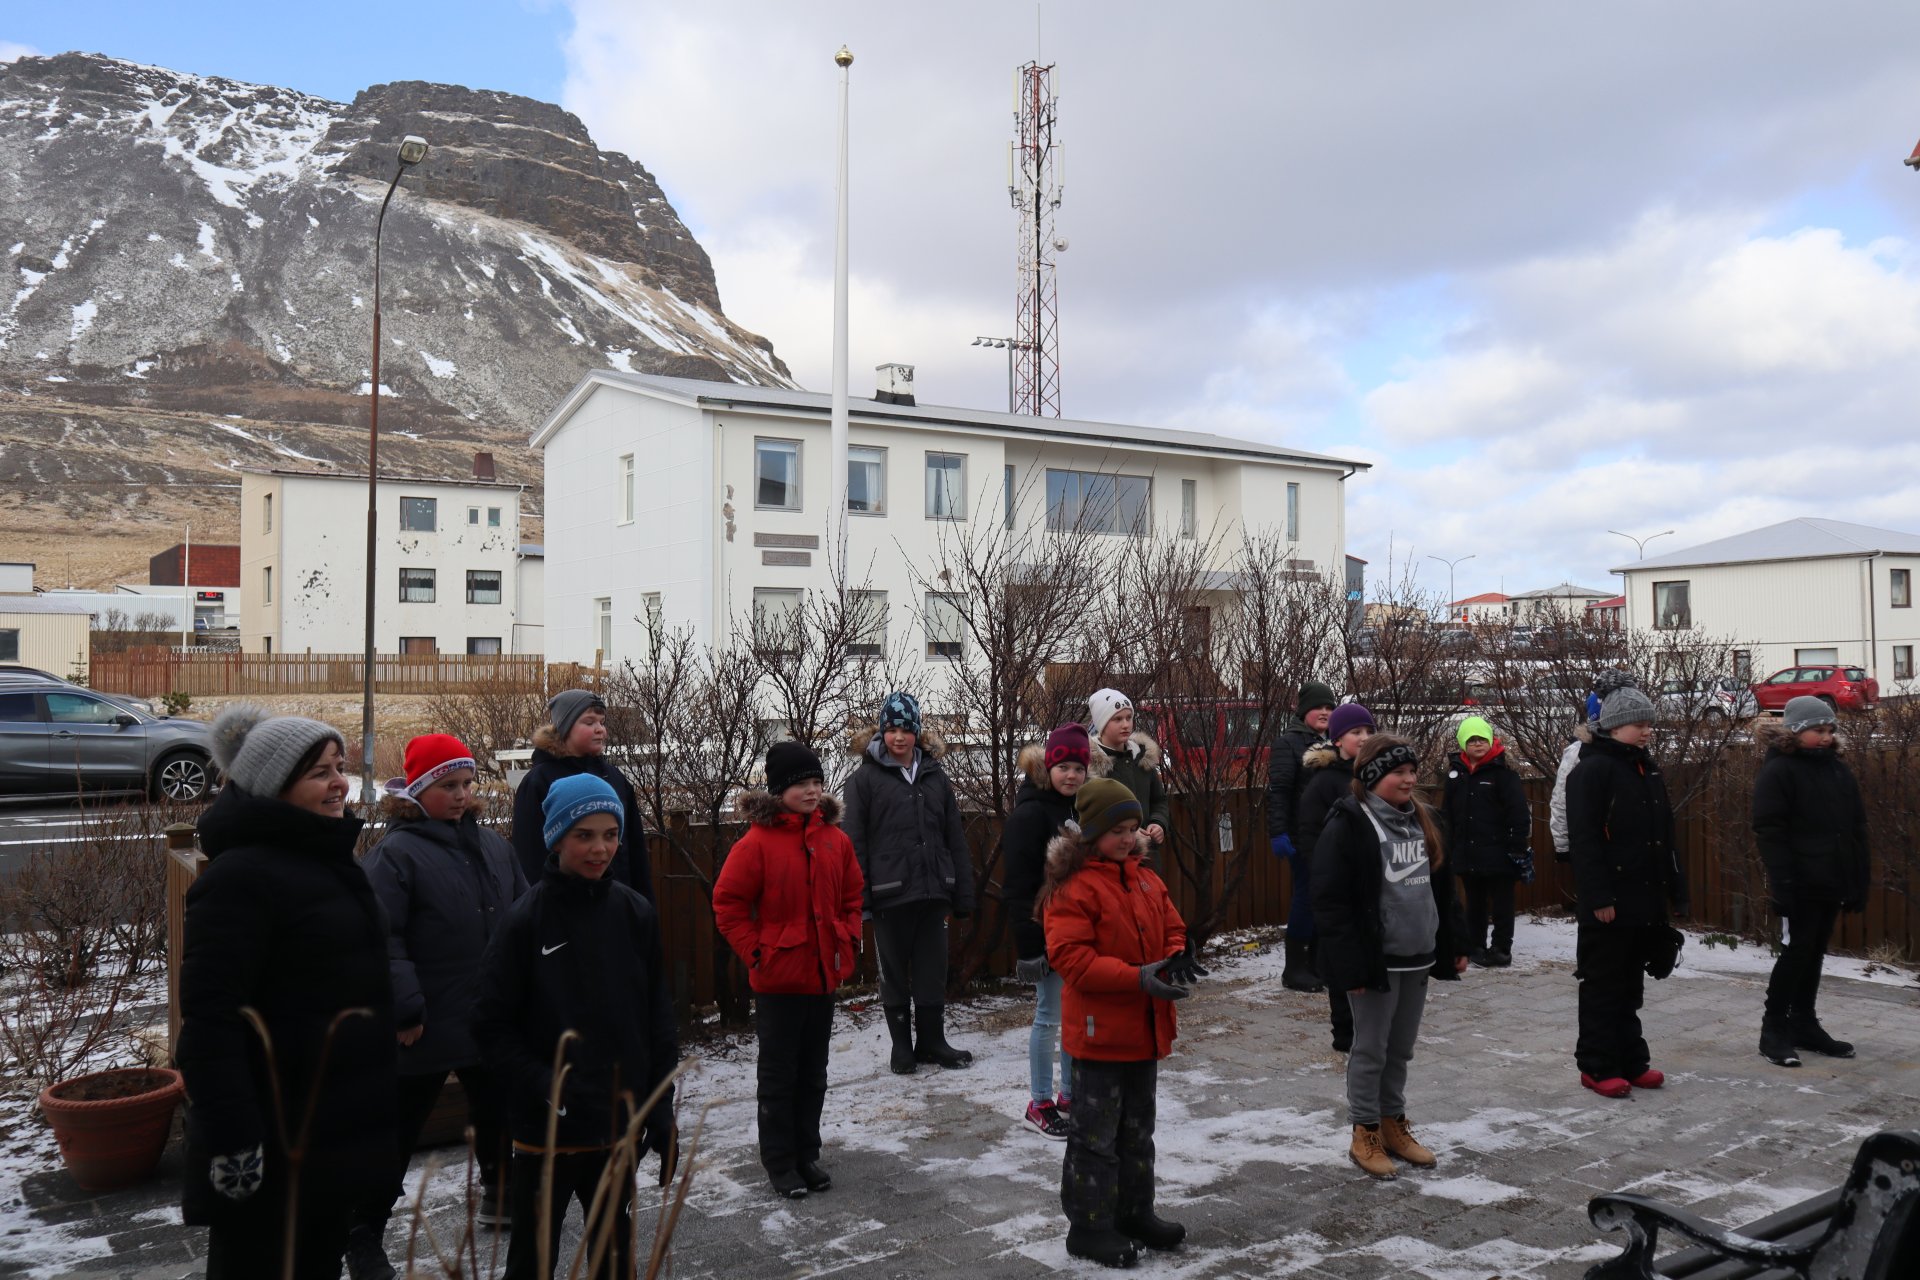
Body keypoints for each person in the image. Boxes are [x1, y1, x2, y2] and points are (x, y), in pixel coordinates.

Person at [178, 707, 396, 1280]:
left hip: (326, 1133)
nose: (339, 783)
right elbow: (209, 1024)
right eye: (320, 772)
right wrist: (234, 1141)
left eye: (340, 767)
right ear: (276, 785)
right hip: (272, 1143)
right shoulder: (240, 880)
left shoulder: (325, 860)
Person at [472, 774, 678, 1279]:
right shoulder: (524, 922)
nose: (601, 848)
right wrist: (549, 1086)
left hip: (618, 1128)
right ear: (557, 837)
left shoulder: (635, 914)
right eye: (584, 835)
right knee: (532, 1261)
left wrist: (661, 1107)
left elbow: (656, 1016)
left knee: (613, 1257)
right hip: (547, 1135)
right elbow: (489, 1026)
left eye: (611, 834)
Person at [348, 735, 528, 1280]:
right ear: (418, 790)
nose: (460, 795)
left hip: (487, 1014)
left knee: (497, 1109)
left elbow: (522, 918)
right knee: (397, 1130)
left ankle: (500, 1191)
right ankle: (363, 1234)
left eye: (467, 784)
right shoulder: (396, 854)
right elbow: (383, 937)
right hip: (424, 1022)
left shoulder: (493, 846)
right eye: (447, 785)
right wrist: (405, 1010)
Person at [1038, 778, 1199, 1268]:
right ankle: (1089, 1227)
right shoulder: (1074, 887)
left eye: (1132, 828)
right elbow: (1073, 960)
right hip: (1098, 1034)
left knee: (1137, 1131)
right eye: (1116, 830)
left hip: (1143, 1030)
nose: (1128, 838)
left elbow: (1172, 923)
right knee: (1095, 1136)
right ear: (1090, 833)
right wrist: (1138, 978)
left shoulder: (1146, 877)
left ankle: (1134, 1212)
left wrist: (1176, 953)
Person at [713, 741, 866, 1200]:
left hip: (822, 976)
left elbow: (853, 897)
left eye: (818, 782)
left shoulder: (835, 841)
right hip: (779, 980)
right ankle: (779, 1161)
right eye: (802, 784)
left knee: (813, 1071)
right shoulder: (755, 844)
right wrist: (757, 953)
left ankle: (806, 1153)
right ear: (779, 790)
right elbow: (728, 905)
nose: (812, 791)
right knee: (779, 1075)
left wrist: (848, 937)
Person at [1312, 735, 1467, 1181]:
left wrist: (1454, 942)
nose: (1410, 779)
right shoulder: (1349, 823)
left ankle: (1392, 1122)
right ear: (1375, 776)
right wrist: (1350, 966)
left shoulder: (1424, 819)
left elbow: (1443, 888)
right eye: (1399, 772)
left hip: (1417, 955)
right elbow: (1331, 901)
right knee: (1371, 1049)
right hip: (1373, 963)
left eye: (1413, 771)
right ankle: (1365, 1131)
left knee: (1400, 1049)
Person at [841, 691, 975, 1074]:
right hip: (889, 896)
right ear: (881, 731)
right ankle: (901, 1047)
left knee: (932, 969)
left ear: (917, 731)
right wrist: (861, 899)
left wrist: (960, 891)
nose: (898, 737)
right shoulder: (864, 780)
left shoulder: (934, 776)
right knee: (894, 973)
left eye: (906, 729)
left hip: (934, 891)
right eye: (891, 729)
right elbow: (855, 843)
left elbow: (954, 836)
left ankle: (932, 1041)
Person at [1565, 686, 1688, 1099]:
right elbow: (1584, 841)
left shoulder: (1645, 768)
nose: (1648, 731)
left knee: (1631, 986)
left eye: (1650, 723)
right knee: (1603, 985)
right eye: (1640, 724)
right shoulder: (1593, 770)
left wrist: (1675, 889)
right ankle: (1597, 1067)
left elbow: (1664, 836)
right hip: (1609, 901)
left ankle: (1632, 1061)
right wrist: (1598, 898)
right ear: (1616, 727)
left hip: (1644, 897)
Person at [1752, 696, 1871, 1068]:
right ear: (1796, 731)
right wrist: (1783, 885)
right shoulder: (1781, 771)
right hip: (1800, 882)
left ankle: (1804, 1023)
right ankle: (1773, 1030)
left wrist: (1857, 880)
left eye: (1829, 729)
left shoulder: (1837, 770)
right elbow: (1770, 830)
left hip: (1830, 880)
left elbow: (1855, 829)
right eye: (1817, 730)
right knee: (1796, 951)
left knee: (1816, 950)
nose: (1825, 736)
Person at [1000, 724, 1091, 1139]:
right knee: (1050, 1016)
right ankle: (1039, 1101)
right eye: (1063, 767)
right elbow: (1018, 884)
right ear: (1048, 766)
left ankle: (1071, 1094)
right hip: (1048, 932)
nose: (1071, 775)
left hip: (1081, 932)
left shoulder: (1081, 809)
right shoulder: (1031, 813)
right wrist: (1030, 944)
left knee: (1076, 1015)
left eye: (1079, 767)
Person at [510, 689, 653, 904]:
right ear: (565, 728)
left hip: (616, 904)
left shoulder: (614, 778)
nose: (600, 730)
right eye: (589, 722)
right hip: (562, 907)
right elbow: (528, 855)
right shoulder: (539, 781)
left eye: (602, 723)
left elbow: (635, 850)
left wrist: (643, 905)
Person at [1296, 702, 1375, 1052]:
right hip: (1339, 885)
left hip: (1373, 883)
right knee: (1341, 955)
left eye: (1369, 732)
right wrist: (1325, 877)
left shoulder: (1376, 776)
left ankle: (1371, 1022)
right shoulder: (1325, 782)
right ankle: (1344, 1032)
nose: (1364, 738)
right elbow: (1312, 835)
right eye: (1356, 732)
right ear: (1338, 739)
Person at [1442, 716, 1534, 969]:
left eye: (1482, 738)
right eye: (1472, 740)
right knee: (1474, 903)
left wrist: (1516, 846)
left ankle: (1501, 949)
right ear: (1463, 743)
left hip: (1501, 852)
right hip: (1467, 852)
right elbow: (1447, 813)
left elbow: (1518, 813)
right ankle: (1475, 946)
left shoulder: (1503, 774)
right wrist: (1447, 845)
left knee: (1503, 904)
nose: (1478, 744)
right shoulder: (1454, 774)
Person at [1267, 681, 1339, 992]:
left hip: (1332, 835)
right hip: (1301, 836)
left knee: (1325, 899)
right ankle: (1295, 968)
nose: (1324, 712)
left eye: (1329, 707)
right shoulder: (1289, 743)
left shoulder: (1336, 742)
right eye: (1318, 707)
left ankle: (1318, 963)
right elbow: (1280, 792)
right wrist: (1279, 832)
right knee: (1306, 898)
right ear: (1304, 711)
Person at [1550, 671, 1637, 862]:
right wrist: (1562, 845)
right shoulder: (1578, 752)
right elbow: (1561, 799)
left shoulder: (1637, 752)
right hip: (1593, 848)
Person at [1086, 687, 1171, 847]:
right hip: (1110, 861)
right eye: (1117, 719)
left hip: (1147, 860)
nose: (1125, 724)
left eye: (1129, 717)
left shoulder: (1142, 757)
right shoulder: (1090, 766)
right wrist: (1126, 832)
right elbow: (1087, 815)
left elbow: (1159, 800)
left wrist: (1158, 823)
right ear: (1102, 724)